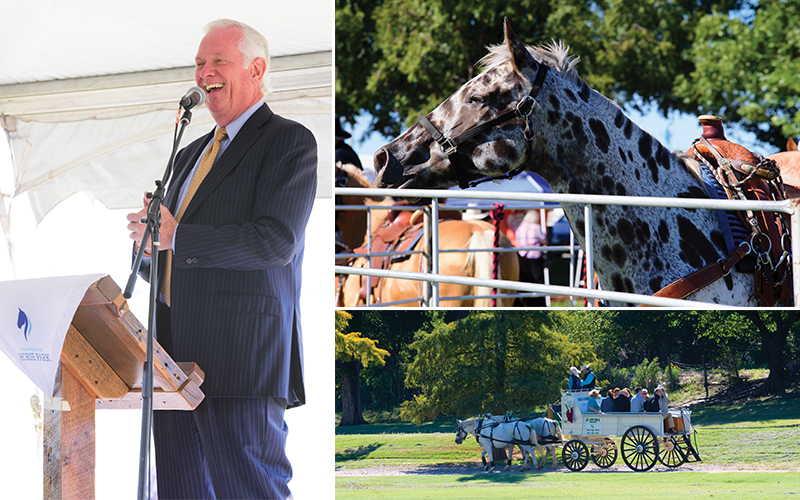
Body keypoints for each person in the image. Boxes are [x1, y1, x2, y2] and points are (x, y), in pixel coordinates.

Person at [126, 19, 317, 499]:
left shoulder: (289, 142)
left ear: (255, 69)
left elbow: (276, 241)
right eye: (198, 64)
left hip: (241, 362)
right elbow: (171, 262)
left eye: (217, 61)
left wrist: (180, 236)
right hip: (172, 365)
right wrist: (148, 247)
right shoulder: (189, 154)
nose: (204, 72)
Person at [513, 210, 547, 306]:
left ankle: (525, 304)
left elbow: (517, 241)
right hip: (535, 256)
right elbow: (544, 240)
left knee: (524, 281)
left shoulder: (520, 228)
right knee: (537, 281)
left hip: (522, 257)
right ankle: (539, 304)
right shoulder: (536, 227)